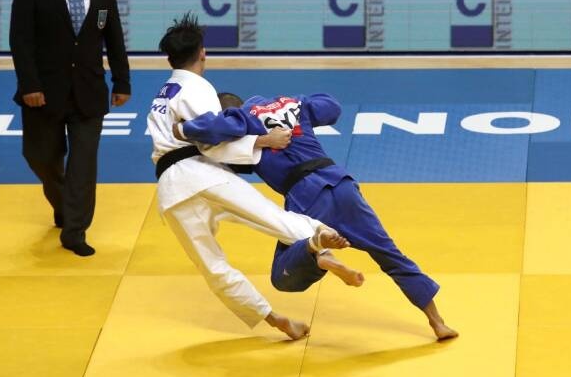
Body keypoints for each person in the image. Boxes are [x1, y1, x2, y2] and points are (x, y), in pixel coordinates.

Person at [175, 92, 459, 341]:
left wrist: (180, 127)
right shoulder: (292, 103)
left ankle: (317, 251)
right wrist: (298, 104)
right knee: (389, 253)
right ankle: (437, 322)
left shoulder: (239, 119)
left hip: (306, 198)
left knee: (282, 276)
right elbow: (332, 107)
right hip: (341, 184)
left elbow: (211, 133)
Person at [147, 13, 359, 340]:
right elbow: (212, 142)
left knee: (214, 268)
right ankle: (322, 244)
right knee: (273, 219)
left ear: (169, 59)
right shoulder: (198, 87)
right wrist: (262, 141)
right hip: (203, 173)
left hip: (171, 191)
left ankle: (276, 321)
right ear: (202, 52)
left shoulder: (161, 96)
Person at [9, 0, 131, 257]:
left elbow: (113, 35)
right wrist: (29, 84)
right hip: (43, 93)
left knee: (83, 165)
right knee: (40, 158)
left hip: (89, 90)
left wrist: (121, 80)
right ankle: (63, 204)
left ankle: (75, 231)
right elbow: (20, 38)